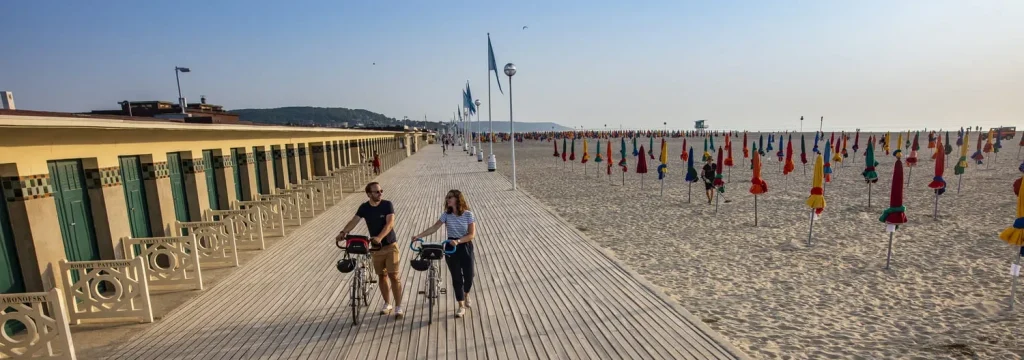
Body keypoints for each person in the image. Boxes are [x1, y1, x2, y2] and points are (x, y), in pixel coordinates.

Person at [336, 182, 403, 318]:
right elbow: (354, 221)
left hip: (390, 245)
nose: (380, 194)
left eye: (381, 191)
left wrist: (379, 237)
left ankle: (398, 307)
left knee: (394, 276)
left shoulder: (387, 205)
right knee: (382, 276)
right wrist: (343, 232)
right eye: (377, 192)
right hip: (375, 248)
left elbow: (390, 224)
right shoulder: (364, 208)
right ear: (369, 194)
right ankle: (387, 303)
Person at [410, 189, 476, 318]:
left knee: (469, 275)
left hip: (465, 245)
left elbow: (471, 234)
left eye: (450, 197)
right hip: (451, 246)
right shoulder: (446, 215)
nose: (448, 199)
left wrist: (459, 241)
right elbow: (434, 227)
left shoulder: (468, 214)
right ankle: (461, 305)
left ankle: (466, 293)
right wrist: (418, 236)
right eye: (447, 198)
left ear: (458, 199)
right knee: (456, 277)